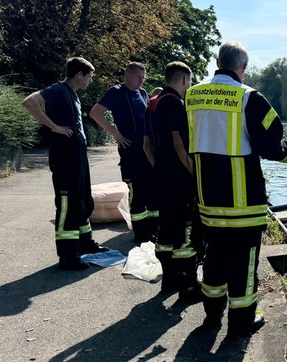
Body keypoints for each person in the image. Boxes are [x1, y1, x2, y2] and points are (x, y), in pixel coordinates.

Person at [186, 41, 287, 337]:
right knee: (244, 262)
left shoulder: (193, 95)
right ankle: (241, 321)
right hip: (243, 201)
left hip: (207, 199)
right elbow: (271, 141)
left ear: (218, 61)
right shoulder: (249, 97)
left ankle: (212, 313)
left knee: (214, 255)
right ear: (242, 68)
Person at [22, 57, 108, 270]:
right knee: (68, 204)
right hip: (65, 156)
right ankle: (68, 256)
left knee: (83, 201)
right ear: (79, 74)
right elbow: (29, 102)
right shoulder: (58, 90)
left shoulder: (73, 95)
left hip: (77, 154)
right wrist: (55, 127)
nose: (90, 81)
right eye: (89, 76)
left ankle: (85, 244)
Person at [144, 61, 201, 300]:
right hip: (179, 178)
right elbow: (179, 145)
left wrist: (159, 168)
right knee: (185, 230)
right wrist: (194, 174)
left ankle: (169, 280)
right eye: (189, 82)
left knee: (166, 229)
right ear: (185, 80)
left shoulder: (153, 104)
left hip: (161, 175)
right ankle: (188, 284)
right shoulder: (176, 104)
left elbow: (146, 145)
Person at [89, 62, 155, 242]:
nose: (142, 80)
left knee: (151, 190)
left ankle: (153, 228)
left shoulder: (142, 93)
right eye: (139, 77)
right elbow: (95, 113)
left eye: (144, 77)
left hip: (146, 150)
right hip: (130, 151)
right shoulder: (116, 92)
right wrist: (114, 133)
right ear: (128, 75)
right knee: (138, 191)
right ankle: (141, 233)